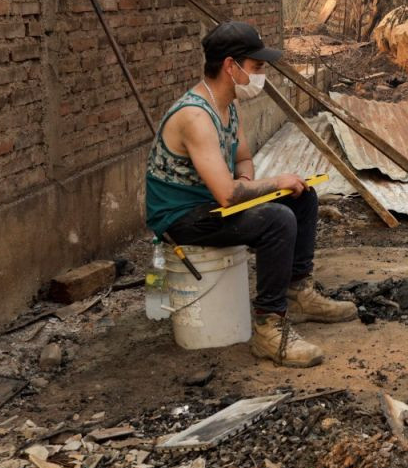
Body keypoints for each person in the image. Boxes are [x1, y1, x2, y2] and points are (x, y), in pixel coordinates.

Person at [144, 21, 356, 368]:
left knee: (302, 198)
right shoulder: (196, 115)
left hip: (210, 204)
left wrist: (252, 181)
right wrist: (273, 184)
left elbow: (242, 159)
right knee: (277, 219)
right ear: (231, 66)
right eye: (256, 67)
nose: (260, 75)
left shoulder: (228, 106)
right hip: (181, 217)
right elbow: (227, 195)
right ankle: (269, 327)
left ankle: (297, 292)